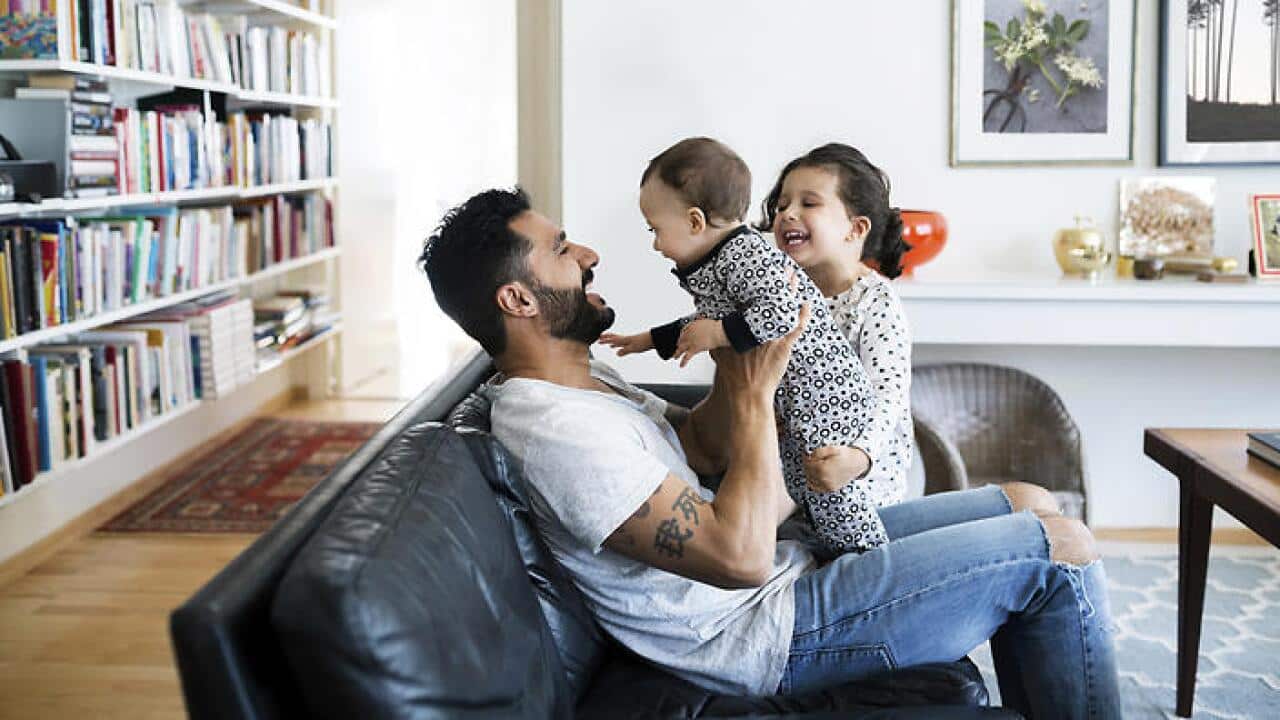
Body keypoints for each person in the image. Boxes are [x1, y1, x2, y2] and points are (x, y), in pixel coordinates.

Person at [418, 187, 1121, 718]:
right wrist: (757, 398)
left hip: (788, 577)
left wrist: (741, 338)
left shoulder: (585, 378)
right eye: (563, 250)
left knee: (1032, 502)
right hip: (760, 632)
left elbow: (698, 444)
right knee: (1062, 550)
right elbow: (738, 558)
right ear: (519, 298)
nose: (589, 256)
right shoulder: (550, 428)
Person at [599, 137, 887, 554]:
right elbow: (711, 320)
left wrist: (717, 335)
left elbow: (783, 312)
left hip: (826, 395)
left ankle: (868, 556)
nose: (655, 244)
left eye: (656, 229)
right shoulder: (719, 259)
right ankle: (829, 550)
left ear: (695, 222)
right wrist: (648, 340)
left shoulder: (744, 254)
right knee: (799, 483)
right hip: (795, 402)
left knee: (831, 494)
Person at [759, 143, 916, 537]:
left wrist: (859, 456)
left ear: (855, 228)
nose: (787, 213)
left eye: (808, 203)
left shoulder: (873, 302)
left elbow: (889, 397)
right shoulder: (780, 297)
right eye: (781, 205)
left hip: (859, 488)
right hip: (791, 476)